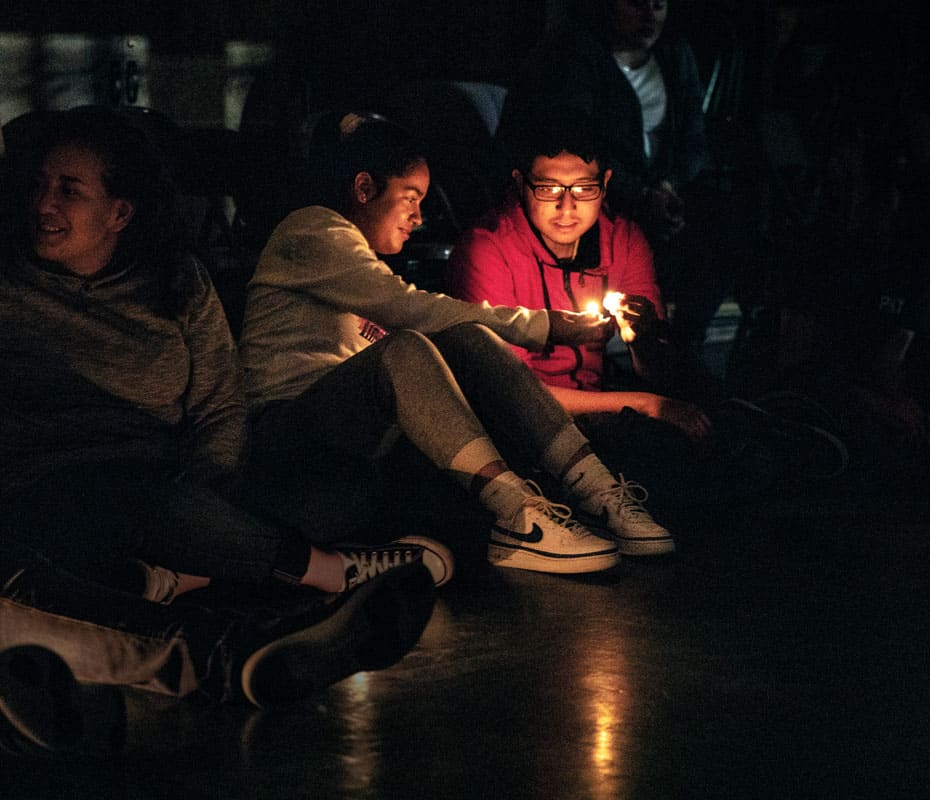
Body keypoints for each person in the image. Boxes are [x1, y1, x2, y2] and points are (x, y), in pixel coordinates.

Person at [0, 106, 438, 730]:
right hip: (56, 483)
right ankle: (324, 578)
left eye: (68, 190)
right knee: (134, 513)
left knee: (329, 495)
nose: (44, 203)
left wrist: (210, 484)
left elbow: (221, 405)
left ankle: (179, 573)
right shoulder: (11, 286)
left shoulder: (176, 284)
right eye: (40, 186)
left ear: (121, 212)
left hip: (175, 478)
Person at [238, 112, 675, 567]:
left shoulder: (353, 262)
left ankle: (598, 490)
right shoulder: (311, 230)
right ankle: (519, 515)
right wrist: (545, 325)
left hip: (351, 454)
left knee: (466, 337)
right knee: (409, 346)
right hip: (289, 450)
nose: (419, 217)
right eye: (410, 198)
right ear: (364, 189)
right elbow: (411, 307)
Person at [445, 114, 849, 520]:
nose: (567, 207)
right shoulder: (489, 249)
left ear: (604, 185)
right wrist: (649, 406)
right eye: (549, 188)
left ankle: (766, 430)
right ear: (520, 184)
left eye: (584, 189)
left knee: (699, 408)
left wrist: (642, 338)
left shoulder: (621, 239)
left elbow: (658, 369)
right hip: (528, 420)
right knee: (675, 456)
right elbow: (512, 394)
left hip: (606, 399)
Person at [496, 0, 751, 368]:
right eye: (636, 3)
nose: (650, 15)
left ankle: (685, 344)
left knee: (724, 214)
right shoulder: (573, 56)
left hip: (660, 189)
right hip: (599, 190)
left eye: (660, 4)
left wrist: (670, 186)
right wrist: (639, 195)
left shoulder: (674, 56)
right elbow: (572, 143)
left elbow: (695, 140)